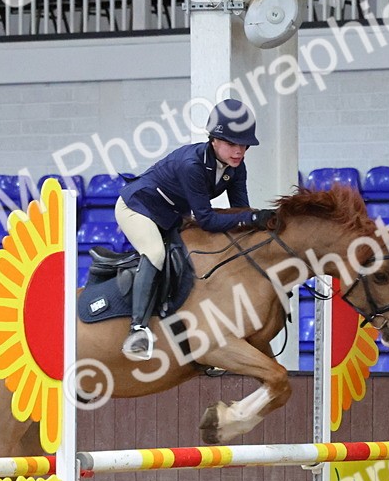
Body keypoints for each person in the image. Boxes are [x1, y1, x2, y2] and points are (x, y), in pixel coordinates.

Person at [115, 98, 276, 361]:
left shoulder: (237, 168)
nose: (239, 151)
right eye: (232, 144)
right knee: (155, 253)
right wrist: (254, 216)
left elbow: (240, 212)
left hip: (173, 215)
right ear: (213, 140)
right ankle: (138, 331)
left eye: (244, 145)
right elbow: (207, 220)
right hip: (138, 208)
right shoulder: (193, 165)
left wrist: (261, 225)